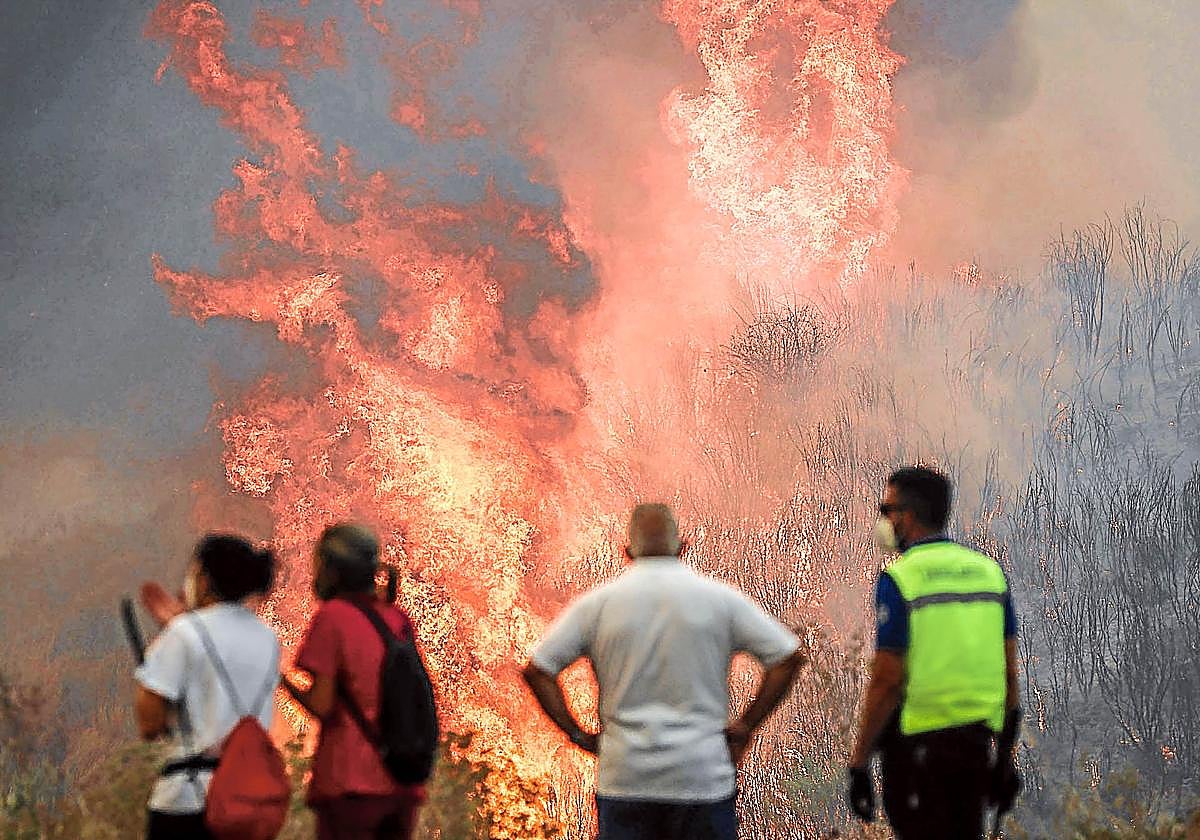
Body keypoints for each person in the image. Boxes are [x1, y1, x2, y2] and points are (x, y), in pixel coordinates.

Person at [522, 503, 805, 840]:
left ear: (627, 552)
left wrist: (578, 735)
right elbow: (787, 659)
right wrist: (746, 725)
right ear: (682, 547)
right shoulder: (719, 600)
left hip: (626, 781)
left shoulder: (597, 606)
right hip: (701, 779)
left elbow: (538, 671)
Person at [846, 466, 1022, 839]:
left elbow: (888, 679)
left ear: (907, 516)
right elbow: (1009, 675)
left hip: (917, 754)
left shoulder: (901, 578)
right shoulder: (989, 573)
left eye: (887, 510)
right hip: (975, 749)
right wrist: (1004, 759)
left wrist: (859, 762)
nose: (884, 520)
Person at [134, 534, 280, 840]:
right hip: (246, 800)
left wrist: (158, 654)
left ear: (203, 580)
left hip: (189, 800)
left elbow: (149, 724)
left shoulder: (184, 632)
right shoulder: (267, 637)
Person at [285, 523, 425, 840]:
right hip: (402, 783)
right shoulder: (396, 618)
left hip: (352, 783)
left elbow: (322, 704)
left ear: (333, 570)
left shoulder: (334, 617)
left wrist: (282, 682)